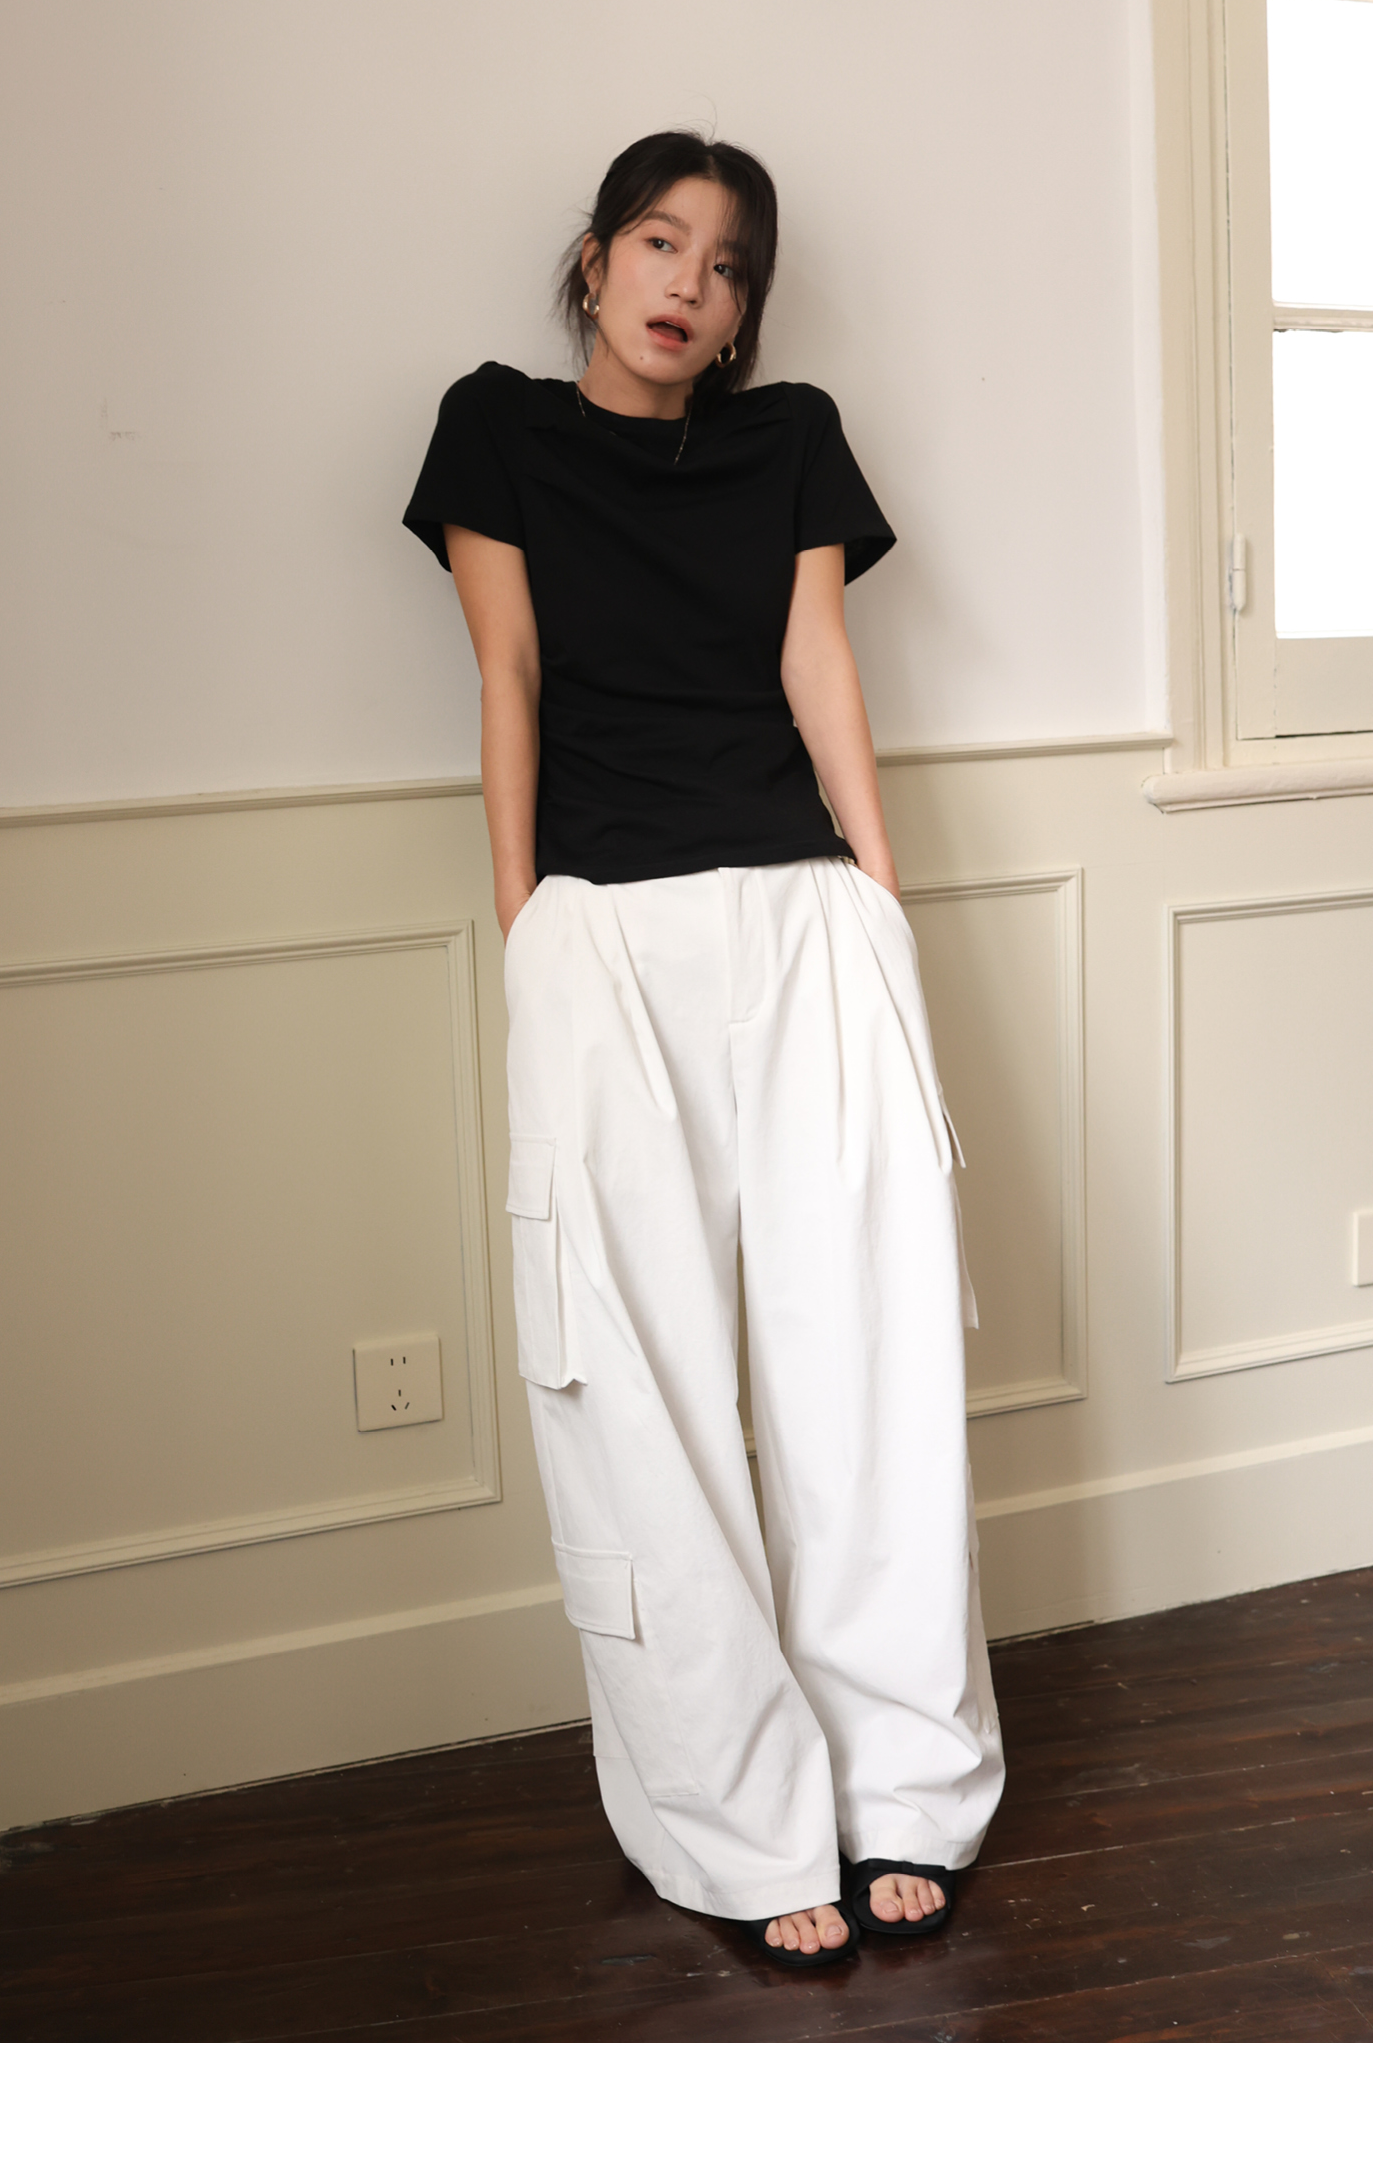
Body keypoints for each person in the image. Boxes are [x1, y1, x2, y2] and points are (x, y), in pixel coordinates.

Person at [403, 130, 1003, 1968]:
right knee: (640, 1394)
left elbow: (822, 667)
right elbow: (507, 672)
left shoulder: (791, 435)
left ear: (747, 309)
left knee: (870, 1370)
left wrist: (880, 900)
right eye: (662, 242)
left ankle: (903, 1784)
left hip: (804, 916)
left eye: (729, 264)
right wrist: (526, 918)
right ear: (594, 258)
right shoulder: (497, 430)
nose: (691, 283)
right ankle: (735, 1819)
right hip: (604, 929)